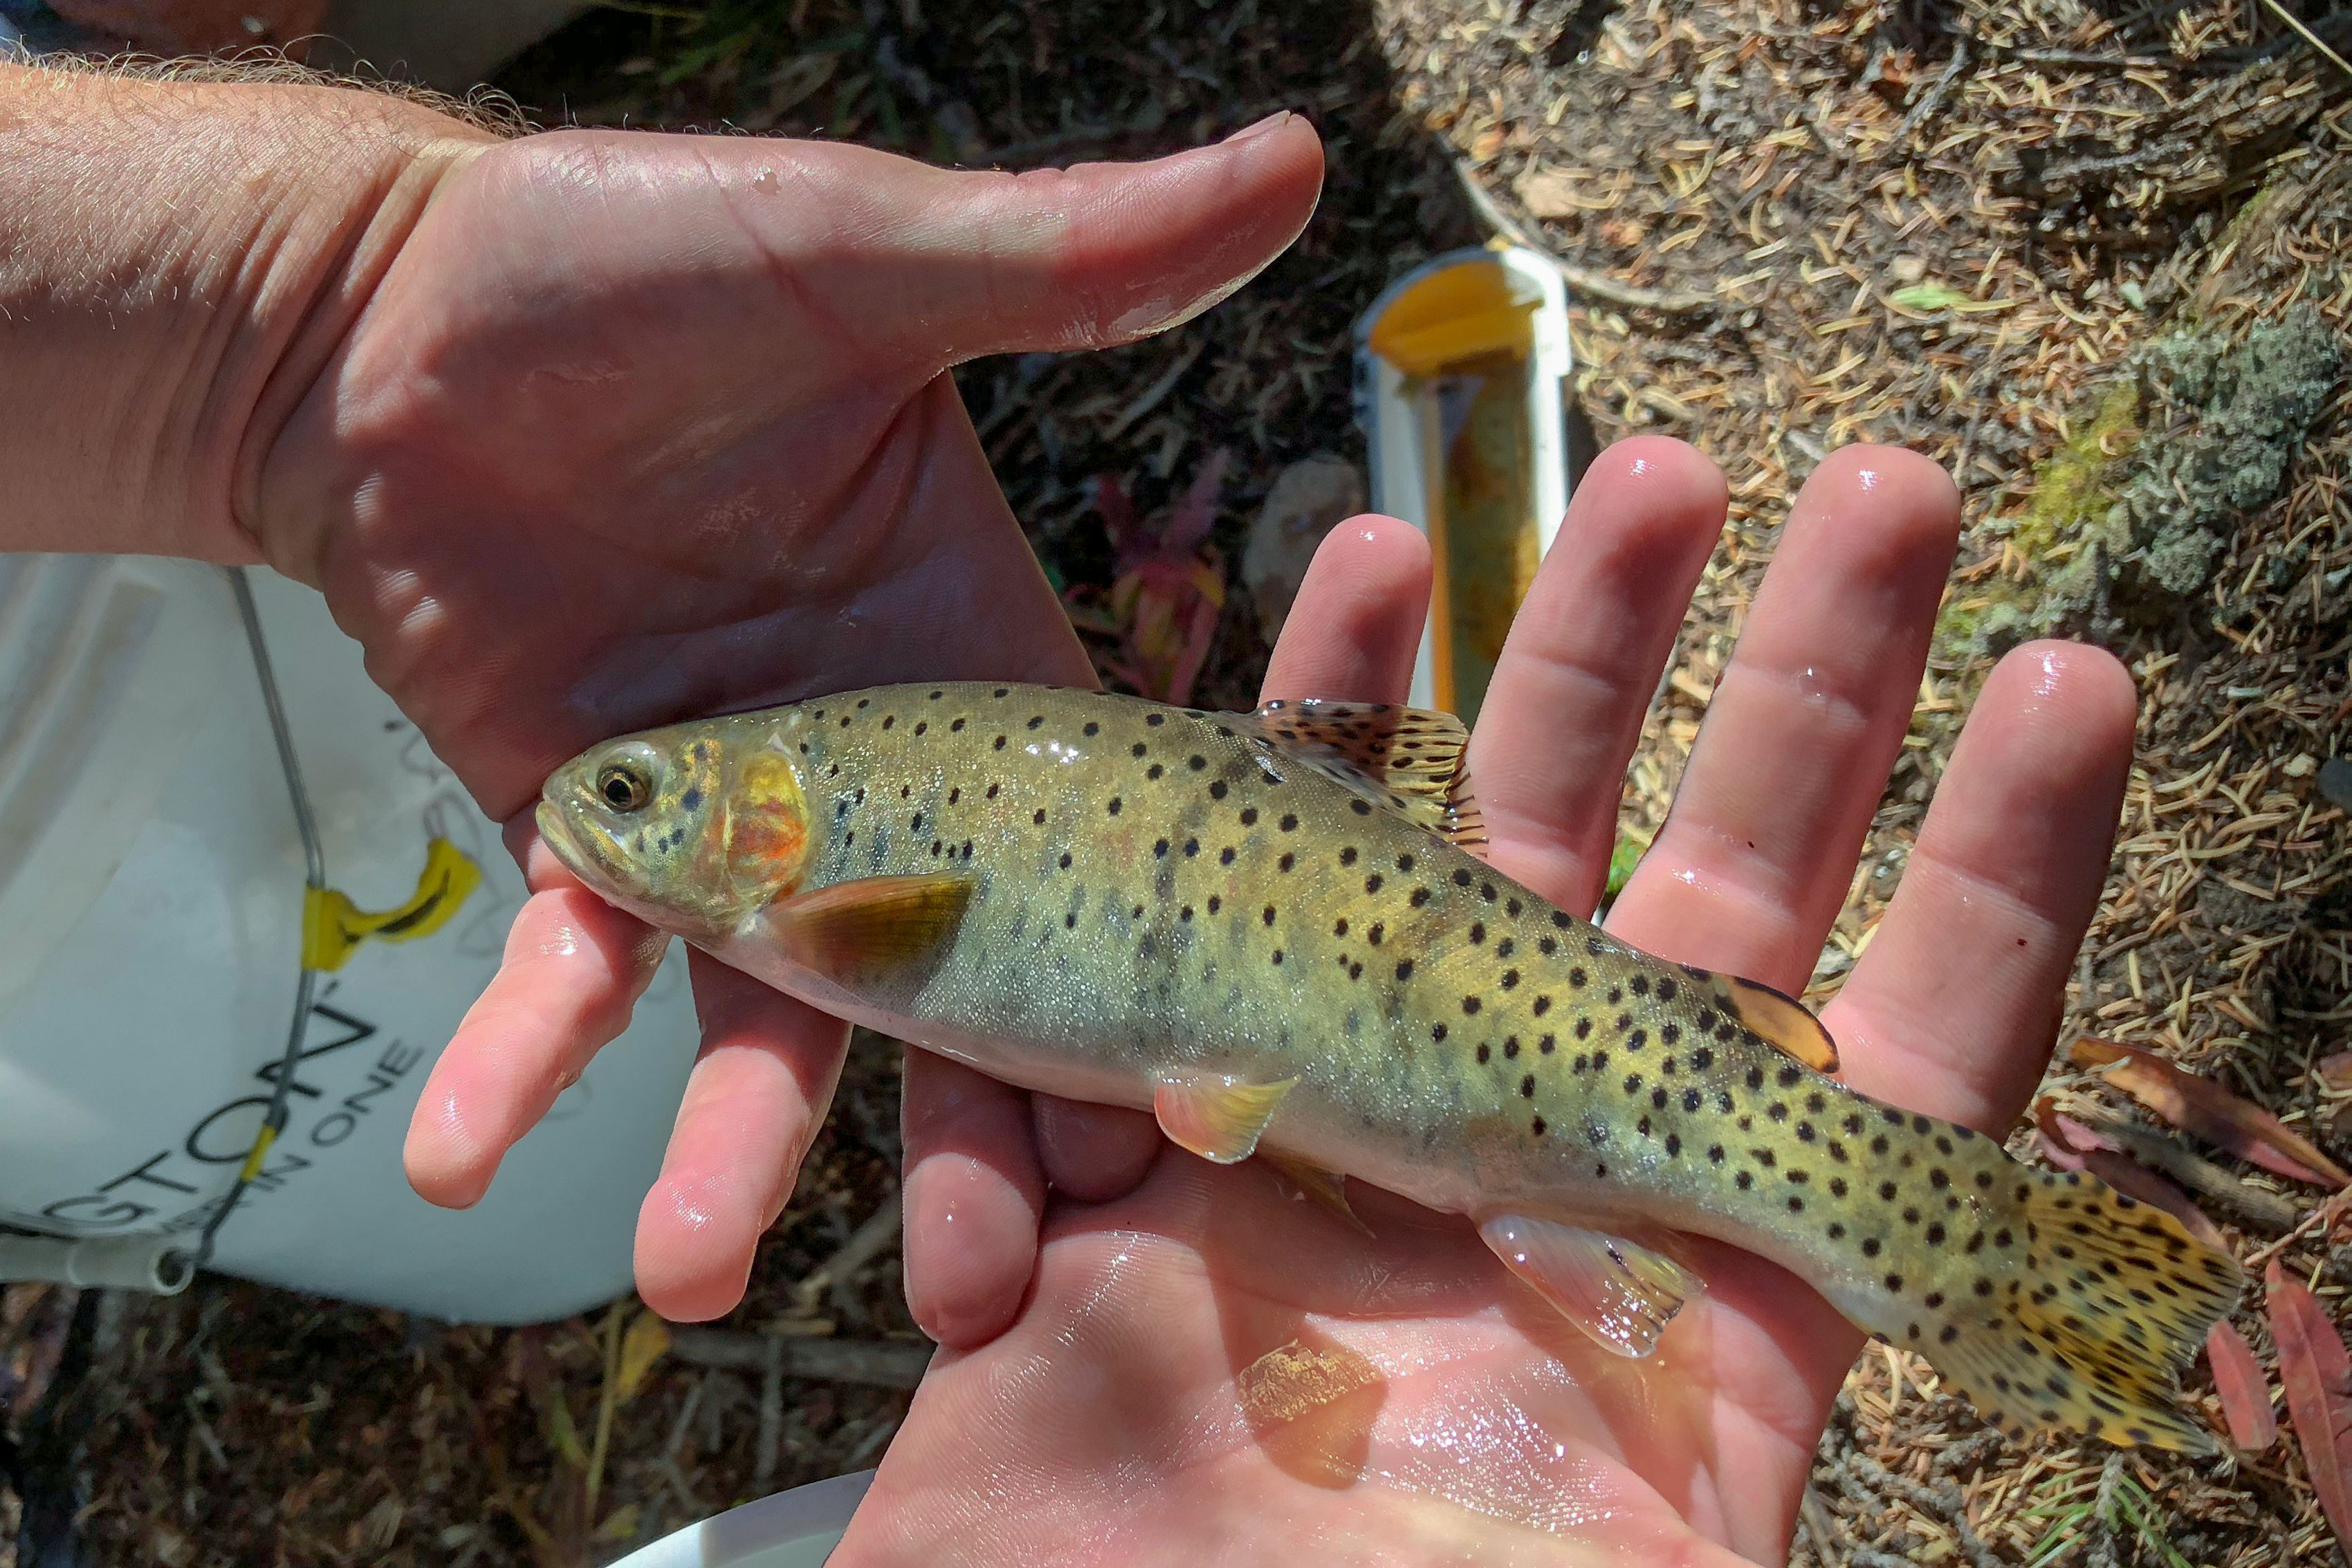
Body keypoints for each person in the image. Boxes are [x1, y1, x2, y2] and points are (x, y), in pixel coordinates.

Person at [1, 59, 2138, 1563]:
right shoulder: (820, 845)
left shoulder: (825, 866)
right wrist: (299, 325)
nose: (608, 813)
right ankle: (1997, 1255)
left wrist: (309, 326)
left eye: (650, 796)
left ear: (764, 824)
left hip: (1498, 1037)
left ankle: (1952, 1237)